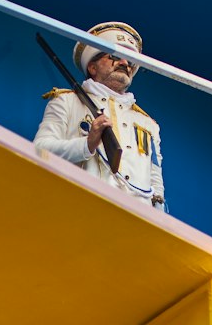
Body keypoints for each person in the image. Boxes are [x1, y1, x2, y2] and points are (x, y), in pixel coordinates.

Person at [34, 21, 164, 208]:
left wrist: (158, 214)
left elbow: (155, 178)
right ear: (92, 67)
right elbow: (40, 150)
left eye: (130, 60)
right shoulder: (66, 101)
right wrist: (87, 144)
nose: (124, 63)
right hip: (80, 206)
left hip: (136, 217)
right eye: (115, 56)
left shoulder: (147, 123)